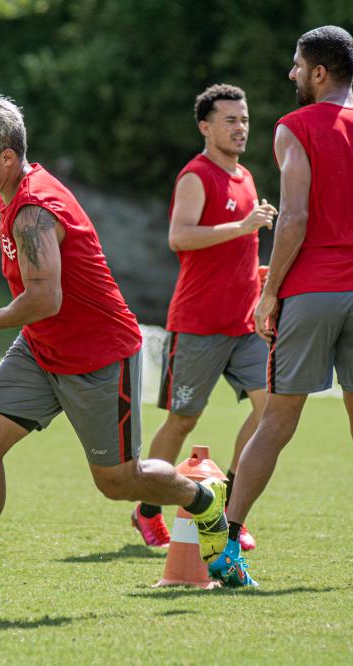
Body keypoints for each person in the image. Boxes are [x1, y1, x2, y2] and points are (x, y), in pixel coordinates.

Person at [0, 96, 230, 614]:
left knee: (118, 482)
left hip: (99, 357)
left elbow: (45, 297)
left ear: (7, 158)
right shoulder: (5, 190)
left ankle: (204, 502)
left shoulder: (34, 209)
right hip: (41, 348)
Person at [210, 26, 353, 588]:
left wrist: (271, 290)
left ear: (319, 72)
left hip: (309, 293)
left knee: (276, 421)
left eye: (297, 66)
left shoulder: (293, 127)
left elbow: (295, 217)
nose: (291, 75)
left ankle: (229, 548)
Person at [130, 84, 276, 552]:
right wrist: (243, 226)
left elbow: (232, 252)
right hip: (197, 325)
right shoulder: (196, 175)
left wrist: (256, 274)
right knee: (182, 422)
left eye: (244, 119)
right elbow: (180, 238)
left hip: (245, 325)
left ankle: (230, 510)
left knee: (271, 409)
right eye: (230, 120)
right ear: (205, 127)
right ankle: (147, 509)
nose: (240, 128)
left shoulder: (247, 177)